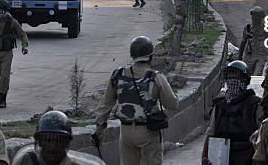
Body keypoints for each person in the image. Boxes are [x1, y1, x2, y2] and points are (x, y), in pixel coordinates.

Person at [93, 36, 178, 165]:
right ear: (150, 56)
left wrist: (99, 129)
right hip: (149, 131)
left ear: (132, 55)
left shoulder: (118, 75)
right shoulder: (156, 77)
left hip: (126, 132)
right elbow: (173, 104)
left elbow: (106, 104)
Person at [202, 60, 262, 165]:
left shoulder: (255, 105)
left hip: (247, 158)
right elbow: (210, 133)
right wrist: (204, 157)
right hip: (222, 157)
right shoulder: (220, 105)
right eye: (229, 77)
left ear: (244, 80)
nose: (231, 80)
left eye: (235, 77)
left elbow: (262, 136)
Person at [12, 110, 104, 165]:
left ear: (66, 143)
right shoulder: (27, 160)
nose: (53, 146)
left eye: (58, 140)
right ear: (39, 142)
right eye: (48, 140)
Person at [0, 0, 29, 108]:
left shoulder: (12, 21)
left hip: (6, 53)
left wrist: (24, 45)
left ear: (5, 11)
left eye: (0, 10)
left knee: (4, 77)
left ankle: (2, 98)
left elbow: (22, 34)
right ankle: (0, 90)